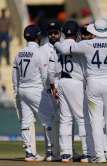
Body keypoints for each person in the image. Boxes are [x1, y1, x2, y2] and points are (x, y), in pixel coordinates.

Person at [54, 18, 107, 163]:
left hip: (93, 83)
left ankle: (100, 155)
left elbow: (65, 49)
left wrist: (57, 42)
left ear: (94, 31)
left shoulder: (86, 44)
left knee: (96, 121)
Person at [49, 20, 92, 163]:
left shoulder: (59, 46)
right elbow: (86, 68)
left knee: (65, 119)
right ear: (77, 33)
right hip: (75, 82)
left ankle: (66, 154)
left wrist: (53, 85)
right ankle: (86, 153)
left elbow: (53, 69)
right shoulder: (80, 46)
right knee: (81, 118)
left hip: (61, 81)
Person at [12, 24, 50, 162]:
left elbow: (14, 75)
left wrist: (16, 90)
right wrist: (49, 89)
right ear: (38, 37)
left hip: (22, 90)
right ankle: (51, 151)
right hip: (36, 90)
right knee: (49, 119)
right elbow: (45, 75)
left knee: (26, 121)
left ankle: (29, 153)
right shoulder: (40, 53)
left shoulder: (18, 53)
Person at [39, 21, 62, 161]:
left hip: (62, 88)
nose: (53, 35)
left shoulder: (65, 47)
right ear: (48, 34)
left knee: (64, 120)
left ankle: (66, 150)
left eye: (56, 32)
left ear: (60, 33)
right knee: (48, 121)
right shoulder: (42, 50)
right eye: (51, 33)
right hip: (47, 90)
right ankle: (50, 151)